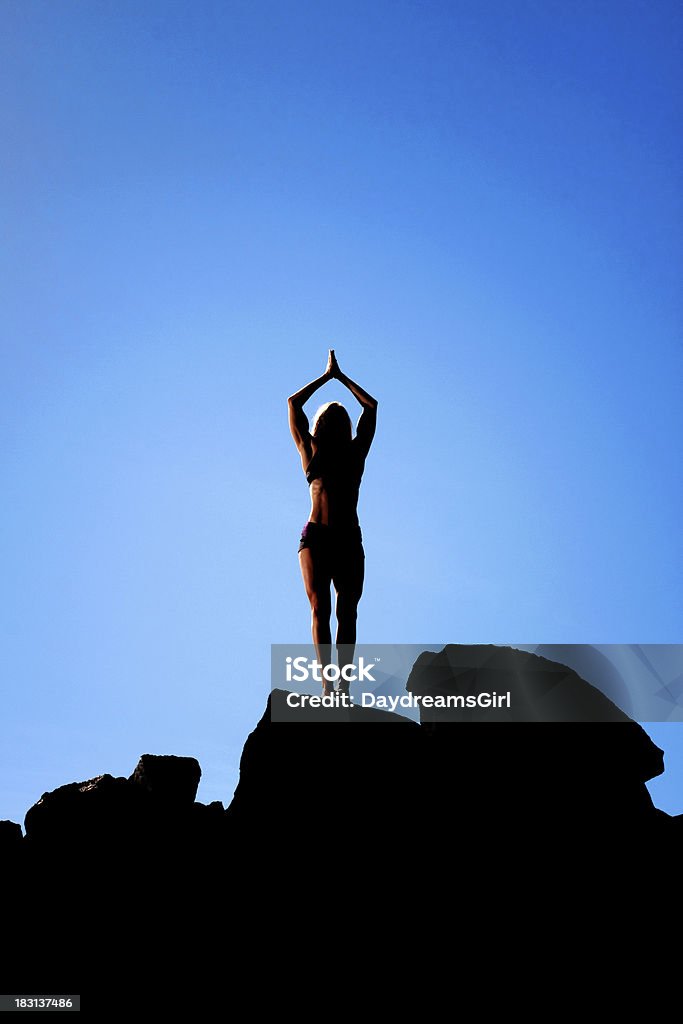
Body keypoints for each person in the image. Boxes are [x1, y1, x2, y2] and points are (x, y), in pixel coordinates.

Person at [288, 350, 378, 696]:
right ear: (321, 424)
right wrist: (326, 377)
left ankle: (343, 685)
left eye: (342, 415)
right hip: (317, 538)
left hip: (348, 539)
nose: (338, 417)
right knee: (319, 609)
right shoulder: (310, 450)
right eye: (332, 414)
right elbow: (294, 403)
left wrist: (341, 378)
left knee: (348, 613)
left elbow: (371, 408)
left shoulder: (356, 453)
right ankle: (328, 685)